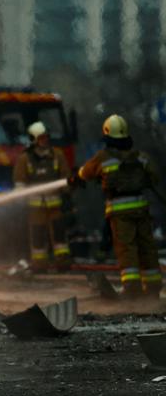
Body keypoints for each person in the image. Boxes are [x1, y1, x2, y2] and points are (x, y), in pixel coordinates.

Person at [70, 114, 162, 297]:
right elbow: (155, 177)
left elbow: (86, 172)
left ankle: (132, 289)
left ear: (107, 134)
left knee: (127, 249)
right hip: (141, 209)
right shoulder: (140, 156)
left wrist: (76, 177)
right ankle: (153, 288)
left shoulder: (103, 157)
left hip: (120, 213)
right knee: (147, 247)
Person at [13, 121, 71, 271]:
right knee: (37, 237)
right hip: (35, 207)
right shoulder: (25, 158)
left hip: (56, 206)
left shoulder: (57, 155)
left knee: (59, 236)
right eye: (41, 138)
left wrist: (67, 196)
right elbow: (20, 182)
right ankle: (39, 265)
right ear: (33, 139)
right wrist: (21, 202)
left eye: (46, 137)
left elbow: (66, 176)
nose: (45, 140)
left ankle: (63, 263)